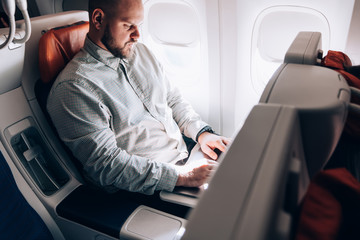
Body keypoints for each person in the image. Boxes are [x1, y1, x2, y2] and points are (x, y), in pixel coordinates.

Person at [47, 0, 230, 195]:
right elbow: (107, 166)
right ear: (98, 19)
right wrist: (182, 176)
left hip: (187, 155)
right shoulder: (74, 87)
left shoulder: (142, 53)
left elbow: (172, 99)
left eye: (139, 25)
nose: (137, 35)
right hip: (150, 187)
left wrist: (202, 133)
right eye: (128, 26)